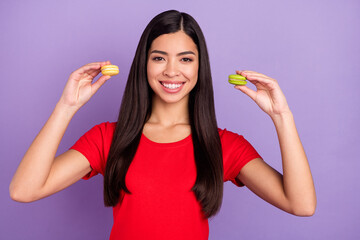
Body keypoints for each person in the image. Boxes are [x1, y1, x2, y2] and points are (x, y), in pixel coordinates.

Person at [9, 10, 316, 240]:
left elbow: (301, 205)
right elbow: (24, 190)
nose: (172, 71)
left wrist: (282, 116)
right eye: (159, 58)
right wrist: (67, 107)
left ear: (199, 67)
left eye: (185, 59)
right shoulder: (108, 138)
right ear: (144, 64)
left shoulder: (223, 146)